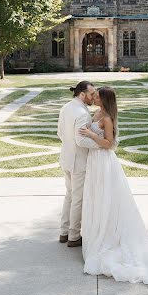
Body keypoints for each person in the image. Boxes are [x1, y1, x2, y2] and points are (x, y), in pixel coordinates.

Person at [79, 86, 148, 285]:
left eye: (97, 95)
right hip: (94, 160)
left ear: (104, 99)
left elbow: (109, 143)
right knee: (96, 197)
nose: (93, 97)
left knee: (106, 197)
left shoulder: (107, 118)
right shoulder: (96, 112)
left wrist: (91, 135)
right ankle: (96, 231)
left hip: (103, 161)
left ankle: (108, 235)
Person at [57, 80, 100, 247]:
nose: (93, 97)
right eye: (91, 94)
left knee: (69, 195)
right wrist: (100, 145)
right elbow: (81, 140)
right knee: (78, 199)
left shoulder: (66, 107)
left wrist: (70, 145)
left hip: (66, 158)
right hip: (78, 162)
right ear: (82, 94)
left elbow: (60, 133)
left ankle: (64, 232)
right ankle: (74, 236)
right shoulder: (82, 113)